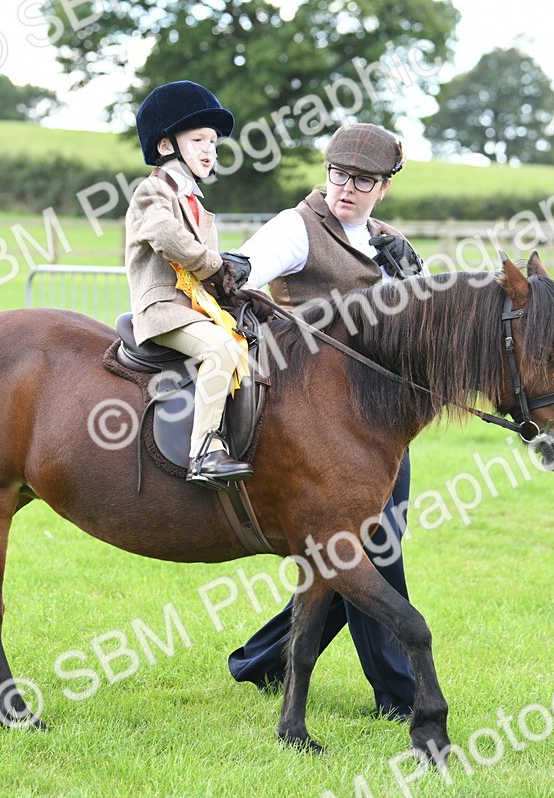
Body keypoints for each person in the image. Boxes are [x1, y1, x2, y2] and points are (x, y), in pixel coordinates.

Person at [227, 123, 425, 720]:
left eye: (362, 181)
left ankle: (260, 661)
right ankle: (400, 693)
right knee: (372, 556)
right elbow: (243, 274)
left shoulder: (389, 244)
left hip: (382, 427)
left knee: (354, 555)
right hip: (314, 426)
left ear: (383, 187)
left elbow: (416, 331)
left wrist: (412, 282)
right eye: (338, 175)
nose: (346, 189)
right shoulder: (297, 228)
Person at [125, 81, 255, 488]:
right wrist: (215, 266)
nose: (209, 150)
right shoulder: (152, 191)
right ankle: (204, 451)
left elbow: (210, 275)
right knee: (221, 346)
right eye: (198, 139)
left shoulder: (198, 204)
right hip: (163, 309)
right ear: (166, 146)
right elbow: (164, 234)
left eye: (214, 143)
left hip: (194, 310)